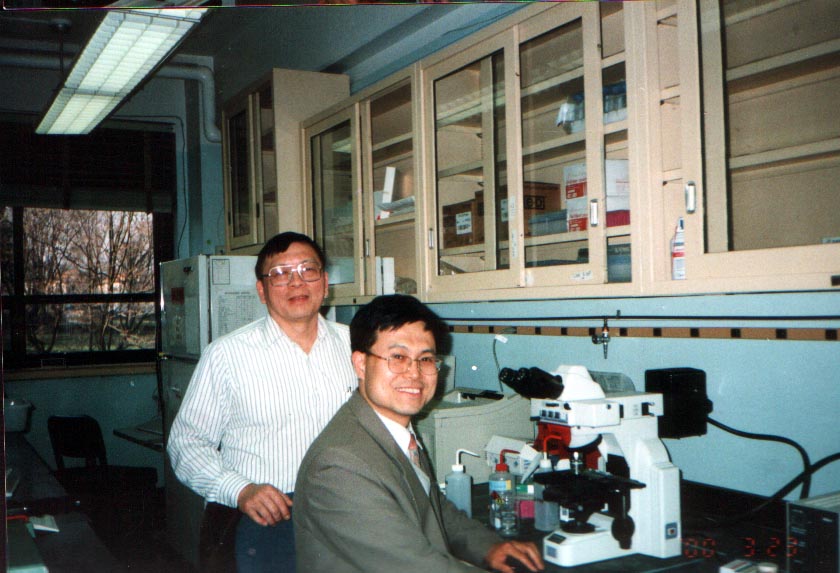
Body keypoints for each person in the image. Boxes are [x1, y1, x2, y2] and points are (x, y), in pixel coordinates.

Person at [294, 294, 544, 573]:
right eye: (398, 357)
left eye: (425, 359)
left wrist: (486, 546)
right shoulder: (340, 466)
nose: (414, 373)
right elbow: (417, 566)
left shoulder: (393, 430)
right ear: (361, 364)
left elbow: (432, 507)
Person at [167, 232, 357, 573]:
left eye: (307, 269)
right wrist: (241, 490)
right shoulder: (227, 355)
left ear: (325, 283)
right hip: (252, 520)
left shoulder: (357, 348)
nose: (296, 282)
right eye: (280, 273)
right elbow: (185, 443)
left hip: (338, 519)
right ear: (261, 290)